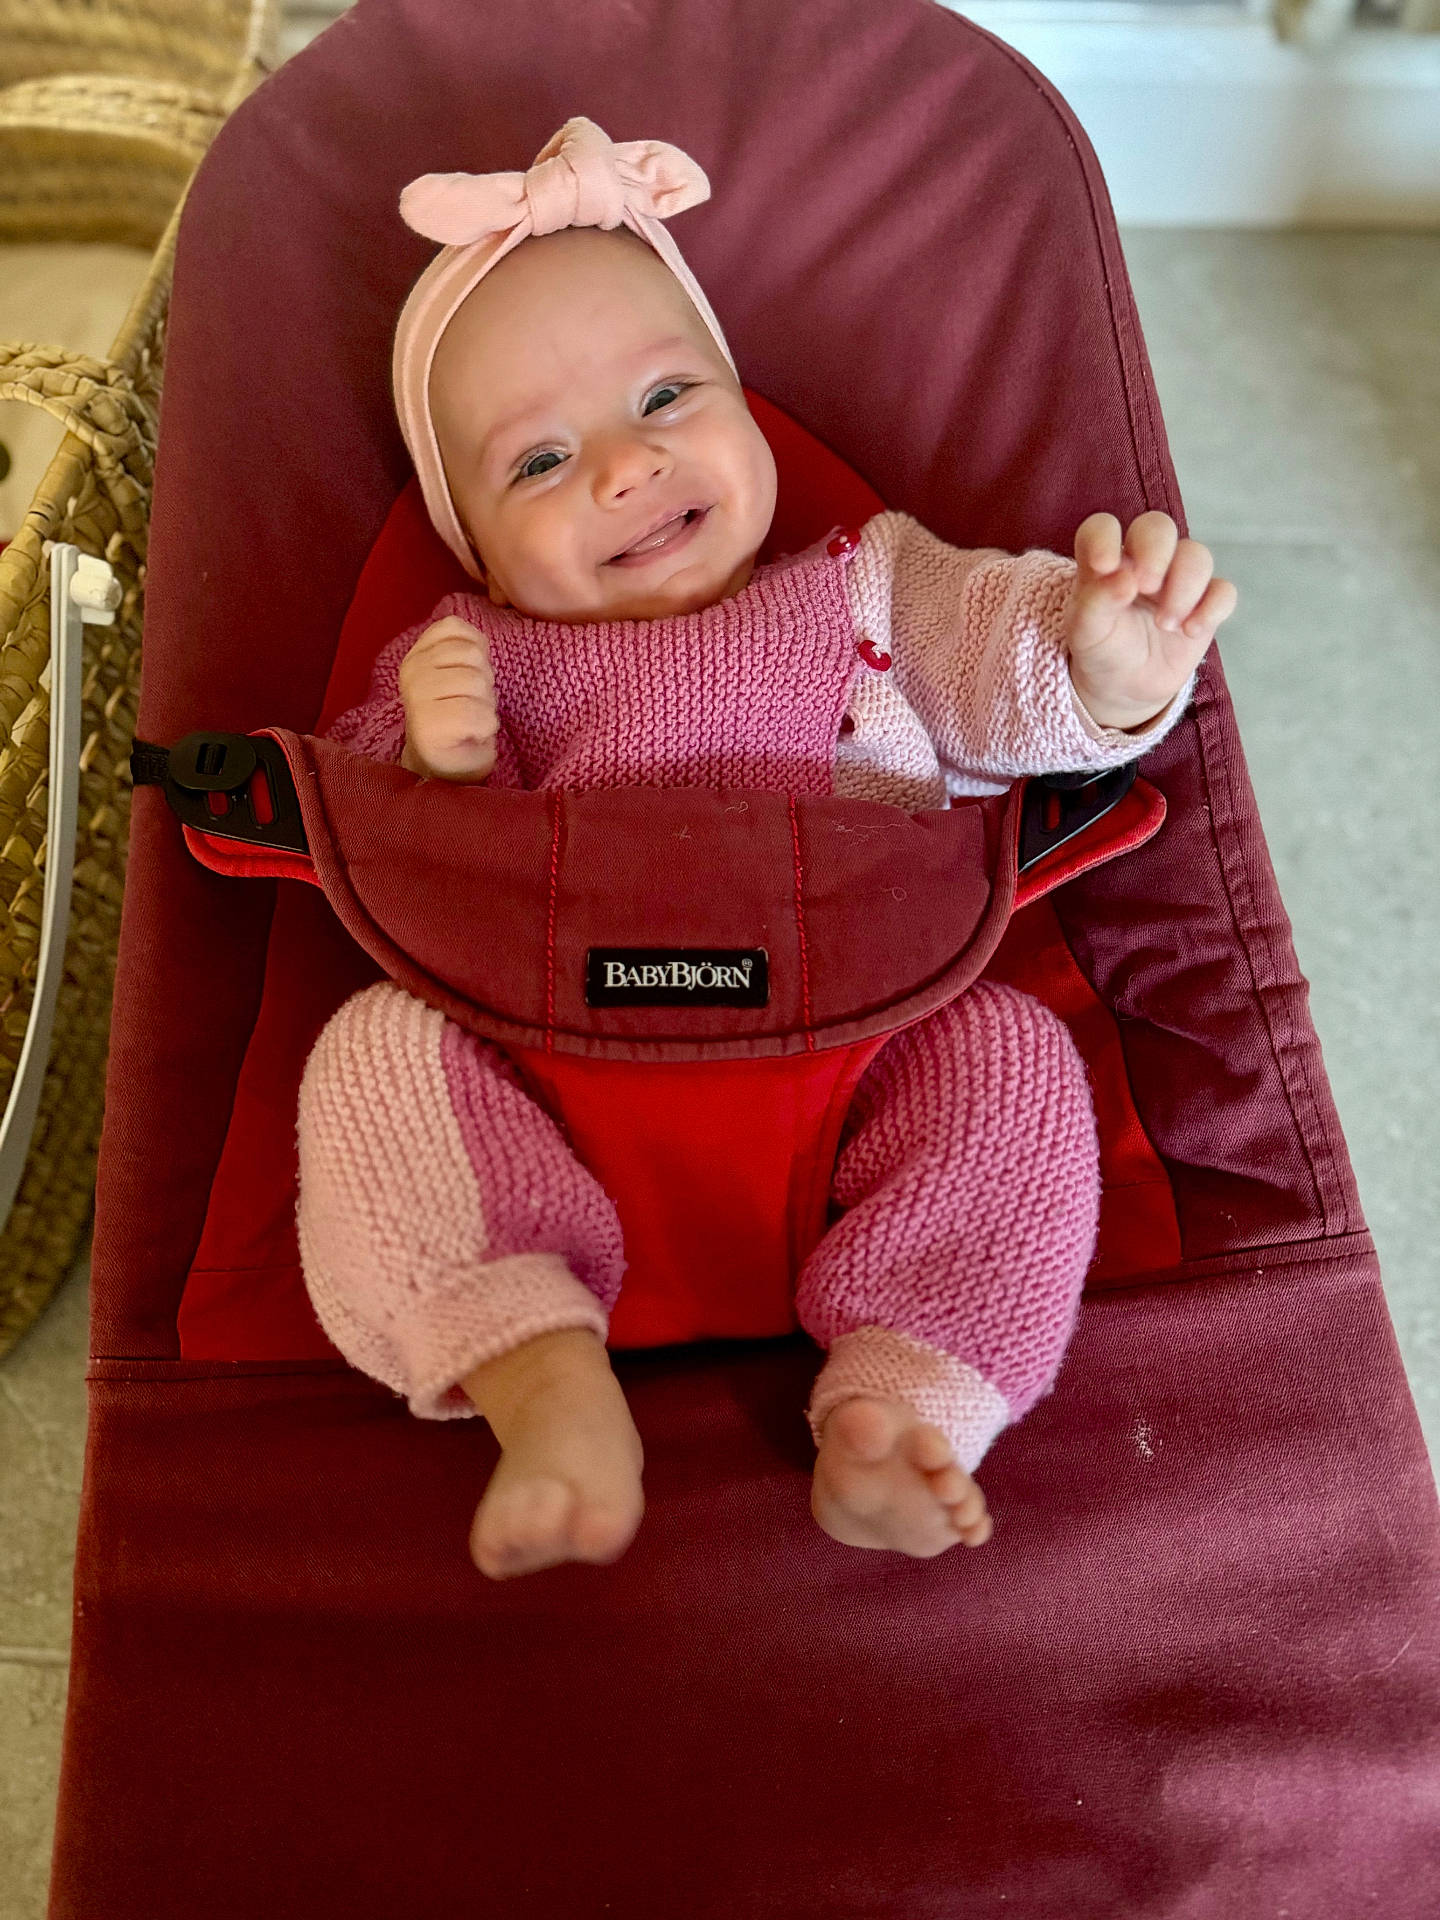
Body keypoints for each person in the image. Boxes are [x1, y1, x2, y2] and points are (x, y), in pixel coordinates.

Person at [297, 117, 1237, 1583]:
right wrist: (431, 764)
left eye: (669, 393)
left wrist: (1103, 664)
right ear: (468, 544)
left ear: (743, 403)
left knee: (1013, 1063)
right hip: (554, 1069)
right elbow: (372, 859)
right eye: (541, 459)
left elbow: (1003, 665)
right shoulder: (477, 656)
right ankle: (537, 1372)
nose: (628, 464)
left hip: (862, 1058)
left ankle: (901, 1400)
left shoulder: (866, 590)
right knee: (377, 1055)